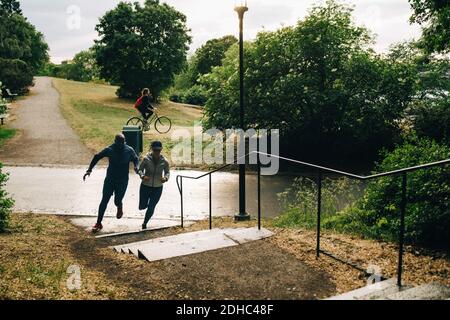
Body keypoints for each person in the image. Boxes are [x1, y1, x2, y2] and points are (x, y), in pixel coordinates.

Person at [83, 134, 139, 233]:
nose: (119, 146)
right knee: (104, 200)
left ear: (124, 142)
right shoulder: (109, 149)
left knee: (117, 201)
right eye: (118, 144)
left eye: (121, 144)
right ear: (115, 142)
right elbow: (97, 156)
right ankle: (98, 223)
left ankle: (119, 205)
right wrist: (89, 170)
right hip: (110, 179)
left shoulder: (129, 150)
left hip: (122, 180)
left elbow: (135, 158)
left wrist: (136, 166)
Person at [138, 141, 170, 230]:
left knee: (152, 206)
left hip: (158, 187)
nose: (157, 152)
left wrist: (165, 178)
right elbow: (140, 170)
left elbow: (167, 172)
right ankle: (145, 205)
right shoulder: (146, 159)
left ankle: (145, 223)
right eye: (155, 150)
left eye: (159, 150)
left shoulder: (164, 161)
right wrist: (143, 176)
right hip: (145, 186)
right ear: (152, 149)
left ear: (161, 150)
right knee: (142, 206)